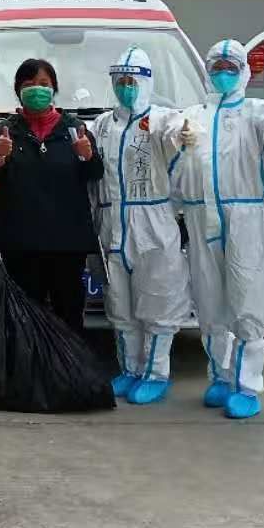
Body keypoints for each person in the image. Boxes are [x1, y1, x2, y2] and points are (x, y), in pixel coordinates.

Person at [170, 40, 264, 419]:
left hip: (246, 216)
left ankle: (247, 385)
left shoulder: (260, 111)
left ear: (245, 71)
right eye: (217, 67)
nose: (223, 73)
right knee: (209, 300)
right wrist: (179, 140)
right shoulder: (193, 114)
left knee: (248, 298)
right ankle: (220, 375)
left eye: (231, 67)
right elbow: (174, 148)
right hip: (202, 216)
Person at [87, 47, 190, 406]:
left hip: (154, 223)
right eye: (120, 81)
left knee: (158, 300)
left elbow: (177, 134)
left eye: (132, 81)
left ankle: (156, 373)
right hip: (112, 223)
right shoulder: (102, 125)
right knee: (120, 303)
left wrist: (185, 135)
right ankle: (129, 369)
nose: (126, 87)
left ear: (147, 82)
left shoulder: (162, 120)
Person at [0, 59, 104, 342]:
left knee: (68, 315)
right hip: (21, 244)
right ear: (18, 91)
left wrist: (87, 156)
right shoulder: (6, 130)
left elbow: (96, 173)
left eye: (44, 84)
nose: (37, 89)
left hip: (66, 244)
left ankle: (69, 367)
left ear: (54, 89)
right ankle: (29, 368)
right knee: (24, 317)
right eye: (29, 84)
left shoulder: (75, 129)